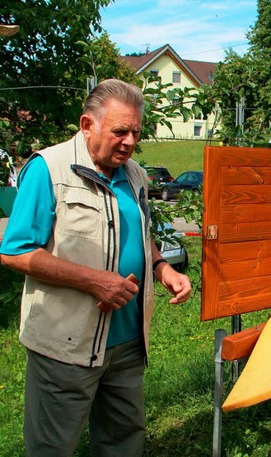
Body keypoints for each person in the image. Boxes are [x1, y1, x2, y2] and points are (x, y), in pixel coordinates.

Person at [0, 79, 192, 456]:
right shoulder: (48, 169)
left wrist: (160, 267)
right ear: (87, 125)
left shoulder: (134, 172)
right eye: (120, 131)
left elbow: (142, 229)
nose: (130, 141)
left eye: (136, 132)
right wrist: (95, 281)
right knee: (52, 447)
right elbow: (15, 251)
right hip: (66, 346)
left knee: (122, 443)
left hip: (127, 343)